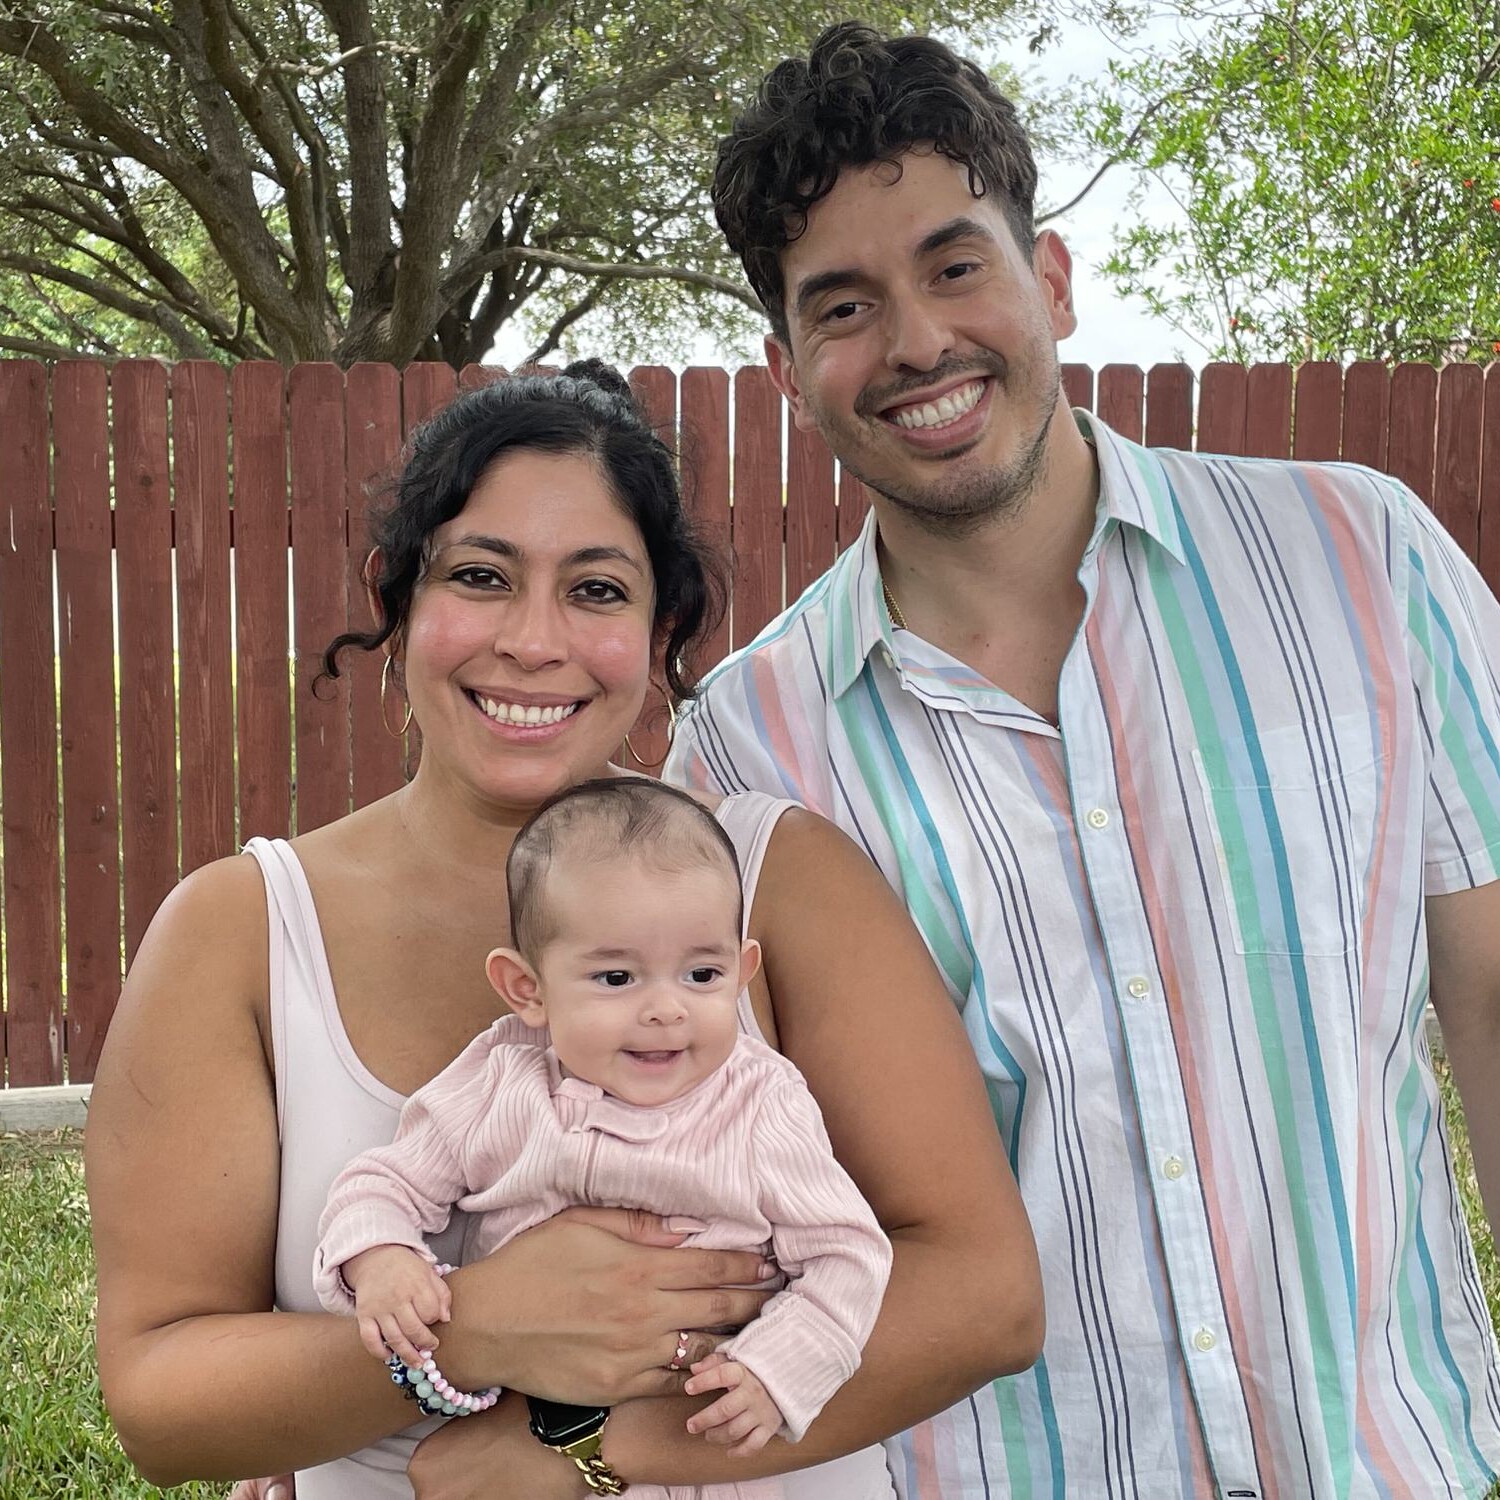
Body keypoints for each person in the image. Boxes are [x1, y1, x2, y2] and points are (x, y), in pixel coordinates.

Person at [664, 23, 1500, 1499]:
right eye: (844, 304)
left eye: (954, 264)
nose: (917, 341)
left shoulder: (1364, 563)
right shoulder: (748, 747)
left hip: (1392, 1464)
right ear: (787, 364)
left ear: (1048, 277)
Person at [85, 359, 1042, 1500]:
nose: (533, 642)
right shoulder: (241, 932)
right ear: (400, 595)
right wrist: (473, 1330)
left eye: (596, 590)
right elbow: (160, 1402)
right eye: (482, 576)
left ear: (661, 625)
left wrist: (575, 1451)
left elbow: (983, 1296)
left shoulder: (777, 881)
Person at [316, 776, 892, 1488]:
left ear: (742, 973)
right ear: (527, 989)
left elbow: (846, 1253)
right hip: (504, 1432)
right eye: (618, 978)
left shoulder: (759, 1104)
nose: (665, 1009)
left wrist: (777, 1367)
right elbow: (383, 1183)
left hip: (696, 1436)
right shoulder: (503, 1086)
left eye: (701, 973)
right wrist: (380, 1257)